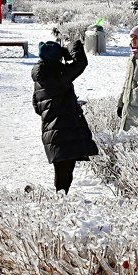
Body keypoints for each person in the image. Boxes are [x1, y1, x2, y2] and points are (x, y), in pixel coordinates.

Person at [31, 39, 99, 194]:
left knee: (61, 170)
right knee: (65, 173)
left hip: (50, 130)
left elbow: (37, 107)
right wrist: (71, 46)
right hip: (65, 129)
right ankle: (60, 202)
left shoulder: (40, 76)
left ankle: (60, 200)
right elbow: (81, 63)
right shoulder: (59, 74)